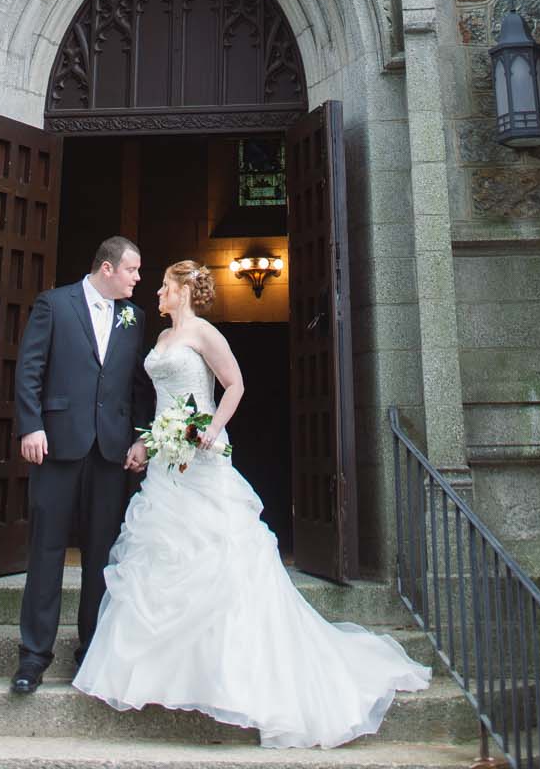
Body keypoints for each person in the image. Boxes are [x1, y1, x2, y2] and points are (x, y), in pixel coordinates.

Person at [73, 258, 431, 749]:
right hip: (165, 462)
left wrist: (210, 430)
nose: (155, 291)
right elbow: (159, 401)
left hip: (201, 457)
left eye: (163, 285)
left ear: (182, 290)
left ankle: (231, 673)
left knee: (218, 558)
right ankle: (172, 674)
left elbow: (235, 384)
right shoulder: (157, 342)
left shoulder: (206, 334)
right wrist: (148, 443)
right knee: (160, 561)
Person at [11, 235, 154, 694]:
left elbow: (139, 387)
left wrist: (140, 438)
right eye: (132, 270)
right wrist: (31, 426)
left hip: (111, 453)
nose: (137, 278)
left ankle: (90, 651)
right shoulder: (54, 304)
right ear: (107, 268)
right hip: (56, 445)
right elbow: (30, 368)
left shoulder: (135, 319)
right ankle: (33, 657)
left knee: (101, 558)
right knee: (47, 551)